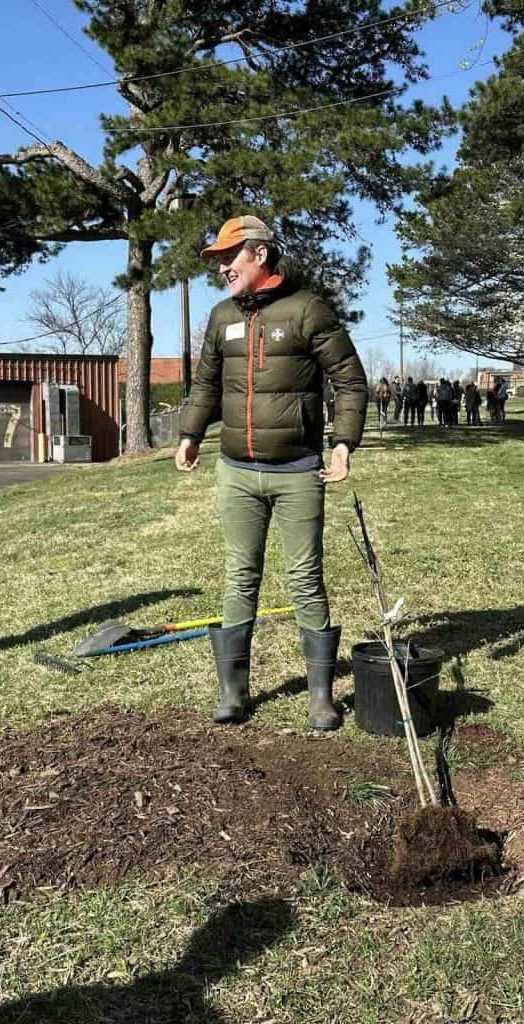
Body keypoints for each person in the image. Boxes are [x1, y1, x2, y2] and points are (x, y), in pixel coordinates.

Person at [175, 215, 368, 731]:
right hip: (236, 472)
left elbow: (350, 381)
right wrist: (190, 434)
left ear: (258, 255)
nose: (221, 268)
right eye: (217, 260)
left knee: (305, 578)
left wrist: (343, 443)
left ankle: (321, 698)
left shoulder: (307, 310)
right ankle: (233, 694)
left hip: (299, 471)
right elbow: (206, 385)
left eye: (227, 258)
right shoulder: (220, 318)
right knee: (241, 575)